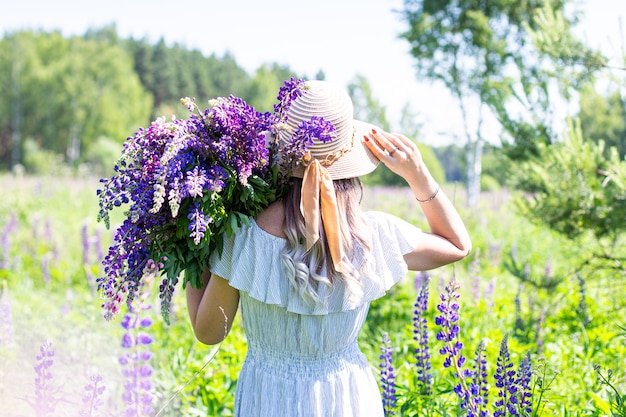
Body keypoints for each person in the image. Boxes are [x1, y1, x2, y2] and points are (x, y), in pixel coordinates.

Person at [186, 80, 472, 416]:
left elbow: (209, 333)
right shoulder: (375, 234)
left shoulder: (245, 236)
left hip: (267, 401)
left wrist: (195, 242)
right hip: (348, 399)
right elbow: (457, 245)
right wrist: (418, 174)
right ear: (351, 161)